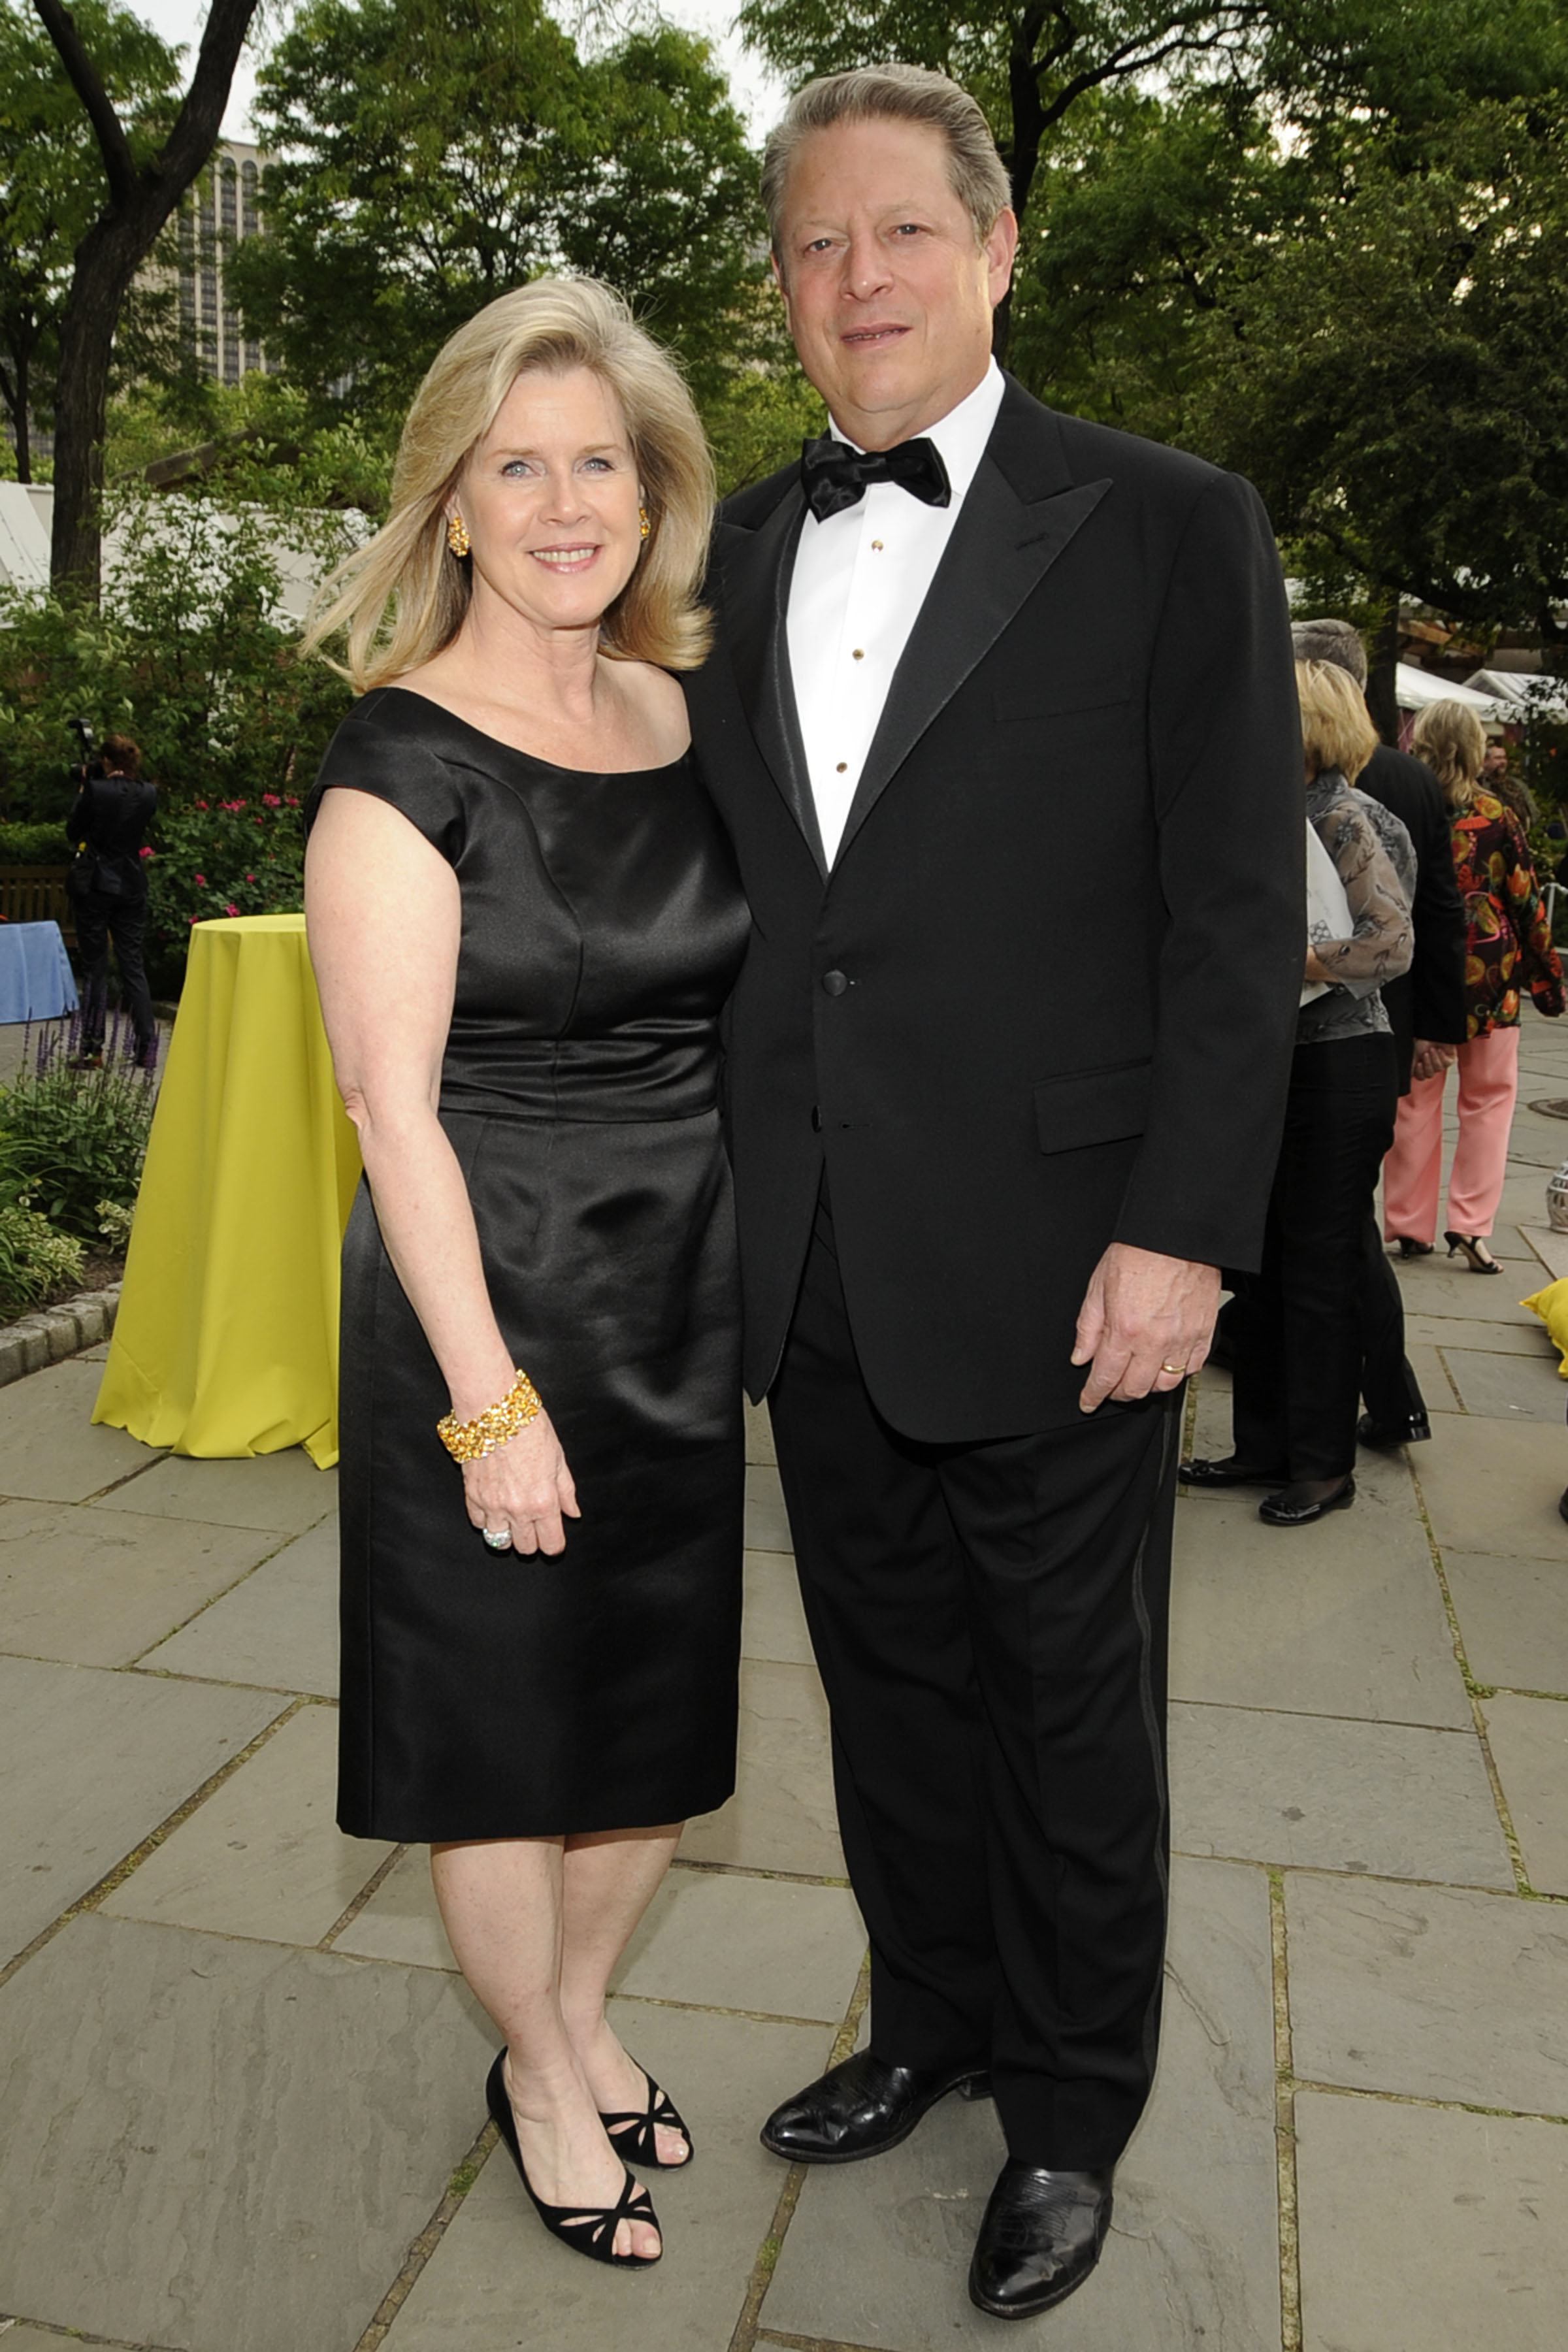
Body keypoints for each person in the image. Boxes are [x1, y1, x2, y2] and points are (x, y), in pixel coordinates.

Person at [681, 63, 1304, 2323]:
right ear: (781, 285)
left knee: (1066, 1712)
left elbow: (1234, 914)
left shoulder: (1164, 522)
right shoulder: (732, 550)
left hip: (1068, 1260)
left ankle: (1065, 2112)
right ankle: (930, 2020)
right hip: (812, 1249)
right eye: (815, 242)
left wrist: (1185, 1229)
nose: (858, 277)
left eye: (902, 231)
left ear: (997, 248)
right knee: (884, 1686)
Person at [301, 278, 749, 2274]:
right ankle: (543, 2074)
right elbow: (388, 1113)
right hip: (484, 1299)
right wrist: (489, 1407)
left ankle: (571, 2018)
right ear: (454, 506)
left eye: (599, 463)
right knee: (502, 1744)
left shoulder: (685, 718)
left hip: (676, 1293)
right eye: (517, 467)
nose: (565, 504)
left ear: (652, 494)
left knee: (652, 1724)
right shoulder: (399, 761)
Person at [1183, 662, 1413, 1525]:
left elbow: (1390, 946)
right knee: (1264, 1267)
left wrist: (1281, 958)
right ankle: (1263, 1448)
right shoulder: (1277, 809)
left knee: (1317, 1270)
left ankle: (1321, 1467)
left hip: (1339, 1066)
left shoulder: (1346, 816)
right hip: (1277, 1063)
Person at [1286, 618, 1468, 1451]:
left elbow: (1412, 927)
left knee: (1340, 1244)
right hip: (1365, 1033)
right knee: (1338, 1238)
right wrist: (1437, 1026)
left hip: (1348, 1033)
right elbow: (1445, 910)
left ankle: (1390, 1403)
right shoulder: (1410, 775)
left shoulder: (1360, 798)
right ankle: (1391, 1403)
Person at [1382, 698, 1564, 1271]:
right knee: (1488, 1101)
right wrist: (1549, 977)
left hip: (1420, 971)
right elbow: (1527, 902)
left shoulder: (1406, 808)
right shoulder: (1496, 816)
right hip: (1492, 977)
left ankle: (1408, 1222)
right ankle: (1470, 1224)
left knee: (1414, 1101)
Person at [65, 732, 158, 1068]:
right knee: (132, 964)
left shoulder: (95, 790)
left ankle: (93, 1049)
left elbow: (73, 830)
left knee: (95, 967)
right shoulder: (149, 794)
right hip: (131, 883)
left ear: (106, 761)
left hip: (96, 884)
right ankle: (146, 1046)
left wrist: (84, 788)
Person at [1482, 736, 1537, 830]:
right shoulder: (1477, 785)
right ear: (1485, 761)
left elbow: (1534, 813)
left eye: (1504, 758)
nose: (1503, 762)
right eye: (1498, 758)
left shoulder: (1518, 785)